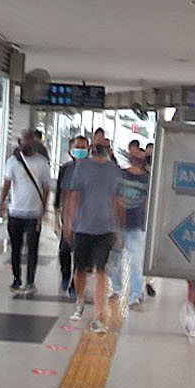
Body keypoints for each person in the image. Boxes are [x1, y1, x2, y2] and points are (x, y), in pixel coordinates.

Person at [58, 130, 127, 335]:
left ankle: (97, 315)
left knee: (100, 271)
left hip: (104, 228)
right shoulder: (82, 168)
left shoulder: (114, 171)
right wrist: (69, 222)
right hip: (83, 227)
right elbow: (73, 196)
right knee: (80, 269)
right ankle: (80, 301)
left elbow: (117, 200)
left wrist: (117, 226)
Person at [0, 127, 52, 297]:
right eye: (23, 140)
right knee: (15, 248)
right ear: (20, 142)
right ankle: (16, 278)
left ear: (34, 143)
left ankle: (30, 281)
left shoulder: (41, 162)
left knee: (32, 248)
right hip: (15, 212)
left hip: (33, 213)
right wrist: (2, 203)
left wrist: (43, 207)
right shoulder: (12, 162)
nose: (26, 143)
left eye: (29, 140)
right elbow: (7, 184)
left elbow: (46, 187)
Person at [115, 143, 152, 307]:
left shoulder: (147, 179)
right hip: (120, 222)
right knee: (116, 258)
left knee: (134, 260)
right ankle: (118, 289)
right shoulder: (121, 175)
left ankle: (135, 293)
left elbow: (147, 203)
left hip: (135, 223)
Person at [55, 133, 87, 299]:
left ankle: (74, 285)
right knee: (64, 250)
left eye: (83, 148)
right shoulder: (66, 169)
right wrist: (57, 217)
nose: (80, 150)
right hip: (68, 216)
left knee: (80, 255)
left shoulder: (91, 169)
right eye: (77, 147)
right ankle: (65, 275)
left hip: (85, 219)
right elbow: (60, 194)